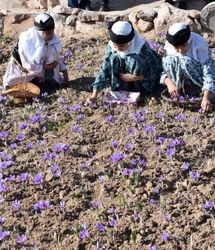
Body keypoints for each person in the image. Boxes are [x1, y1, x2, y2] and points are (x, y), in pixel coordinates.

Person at [87, 21, 162, 103]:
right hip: (123, 80)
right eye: (115, 45)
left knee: (136, 60)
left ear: (130, 42)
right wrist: (94, 95)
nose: (118, 49)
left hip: (141, 81)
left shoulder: (142, 48)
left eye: (122, 45)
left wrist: (135, 77)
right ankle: (120, 89)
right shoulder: (112, 46)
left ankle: (142, 93)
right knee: (113, 57)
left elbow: (155, 70)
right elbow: (104, 68)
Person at [2, 13, 68, 100]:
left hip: (43, 74)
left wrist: (65, 75)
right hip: (23, 72)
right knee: (15, 87)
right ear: (39, 32)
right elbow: (28, 64)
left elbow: (57, 60)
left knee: (48, 88)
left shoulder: (54, 42)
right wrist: (44, 66)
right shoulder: (26, 39)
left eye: (52, 32)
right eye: (48, 33)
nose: (51, 35)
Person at [161, 23, 215, 112]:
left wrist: (206, 96)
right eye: (176, 47)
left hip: (200, 85)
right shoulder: (169, 46)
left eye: (184, 46)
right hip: (180, 85)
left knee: (185, 61)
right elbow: (163, 70)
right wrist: (170, 84)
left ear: (189, 40)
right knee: (168, 61)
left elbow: (209, 74)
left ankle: (197, 94)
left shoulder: (199, 45)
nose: (180, 50)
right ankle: (179, 91)